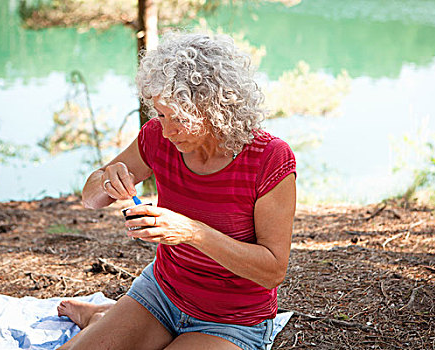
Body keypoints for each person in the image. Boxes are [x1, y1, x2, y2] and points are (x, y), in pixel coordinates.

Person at [57, 31, 297, 350]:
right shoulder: (157, 137)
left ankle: (104, 317)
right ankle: (105, 318)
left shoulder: (269, 159)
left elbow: (272, 270)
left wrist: (192, 232)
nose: (167, 131)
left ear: (216, 109)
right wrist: (105, 181)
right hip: (161, 295)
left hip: (232, 321)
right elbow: (90, 198)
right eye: (160, 114)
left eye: (180, 118)